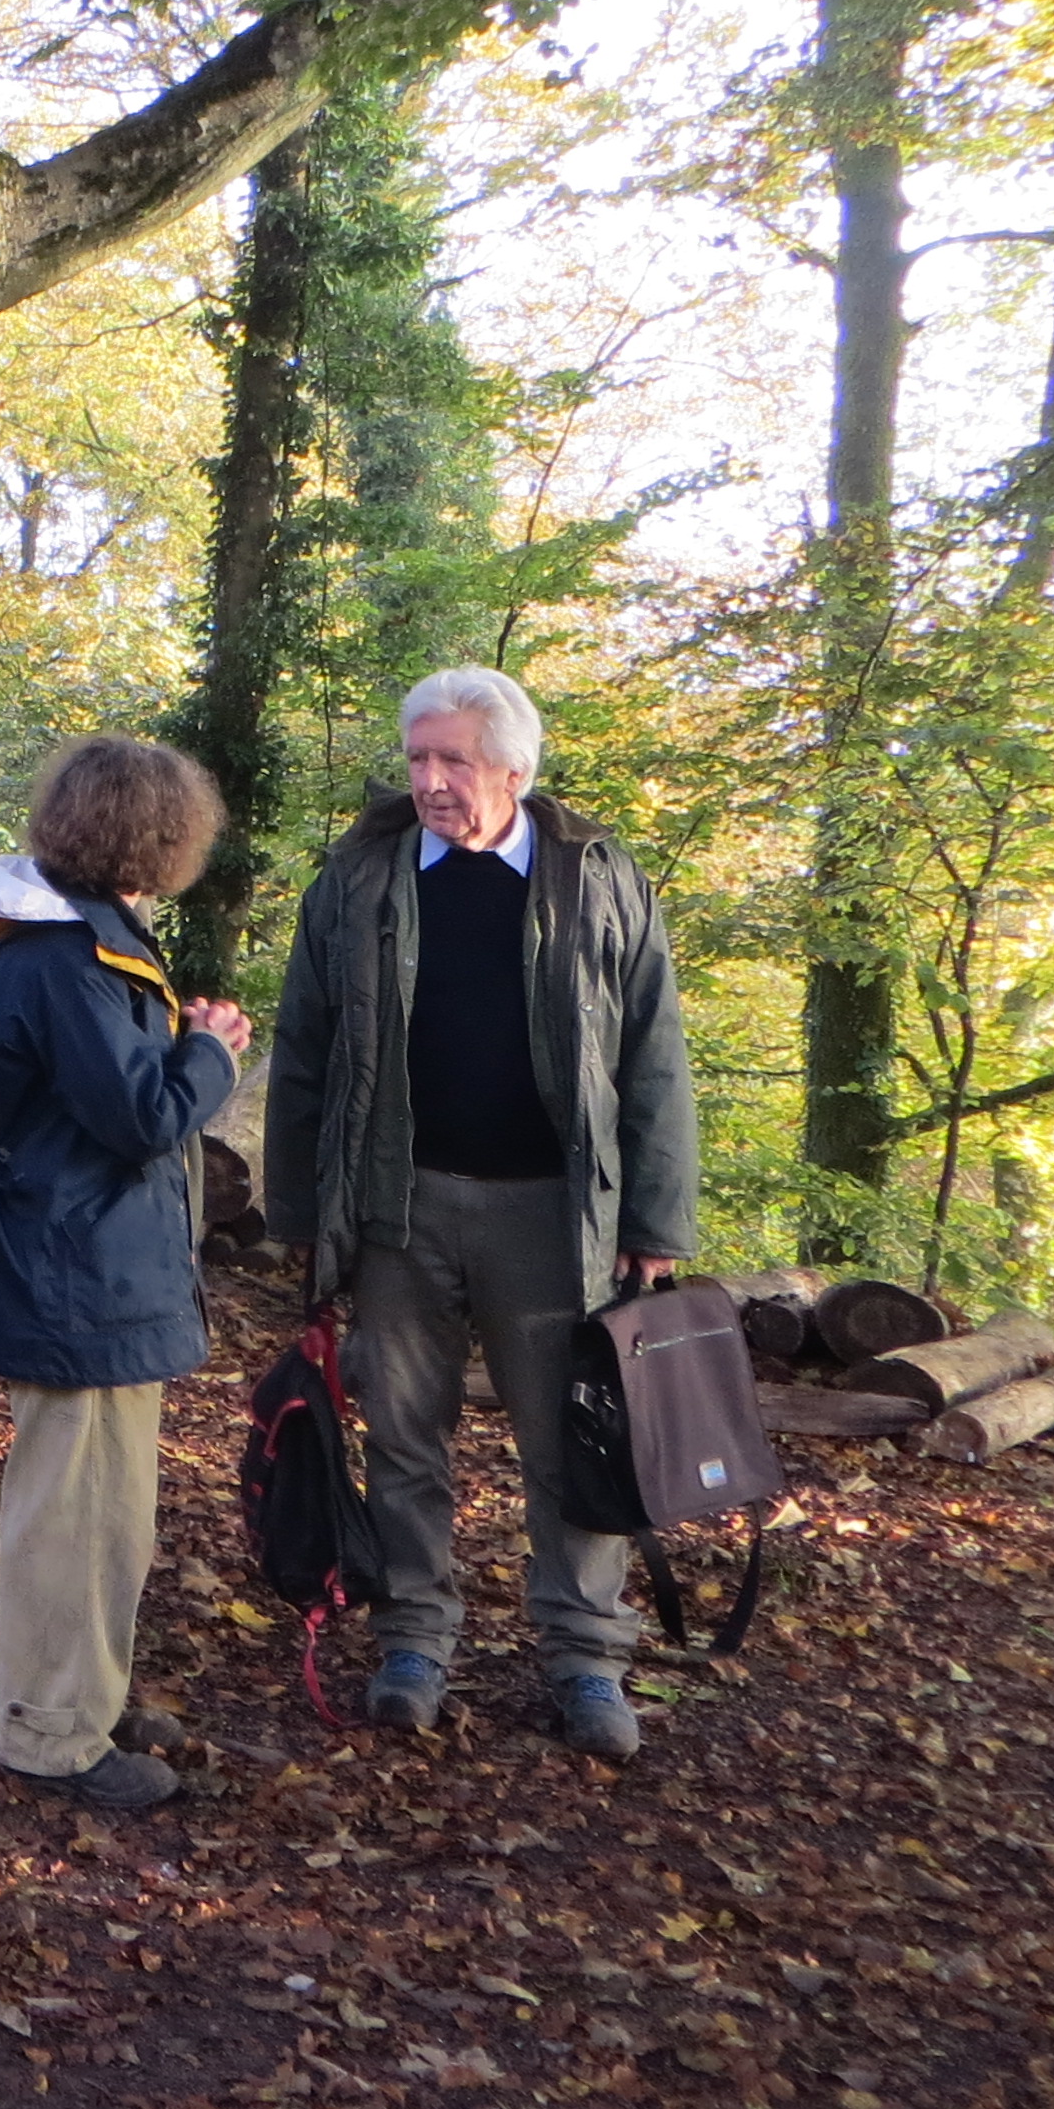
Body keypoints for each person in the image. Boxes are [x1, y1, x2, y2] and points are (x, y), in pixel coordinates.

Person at [261, 666, 699, 1761]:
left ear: (513, 770)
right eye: (417, 759)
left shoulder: (595, 876)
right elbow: (305, 1047)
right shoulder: (360, 877)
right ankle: (413, 1641)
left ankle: (586, 1657)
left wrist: (654, 1221)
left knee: (570, 1445)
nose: (429, 781)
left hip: (554, 1216)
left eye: (452, 760)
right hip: (398, 1208)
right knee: (405, 1438)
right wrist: (302, 1213)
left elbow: (653, 1056)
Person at [0, 735, 254, 1811]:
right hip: (70, 1277)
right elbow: (139, 1116)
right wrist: (211, 1050)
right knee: (71, 1517)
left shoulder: (87, 943)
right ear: (163, 840)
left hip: (101, 1273)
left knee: (114, 1512)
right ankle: (50, 1732)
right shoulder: (63, 961)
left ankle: (90, 1694)